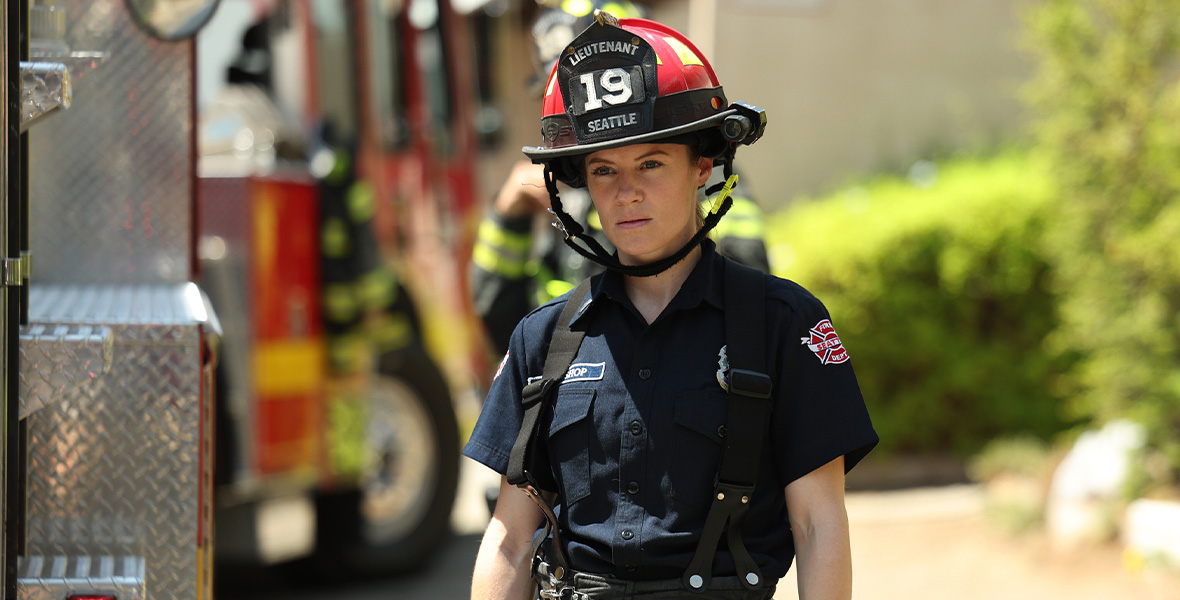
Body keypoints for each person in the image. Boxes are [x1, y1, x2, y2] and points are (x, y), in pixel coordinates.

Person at [464, 13, 878, 600]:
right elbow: (508, 540)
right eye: (603, 170)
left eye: (651, 163)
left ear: (702, 169)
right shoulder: (543, 339)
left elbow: (819, 525)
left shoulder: (785, 325)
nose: (626, 191)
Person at [470, 0, 769, 357]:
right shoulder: (556, 194)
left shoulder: (707, 176)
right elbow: (504, 328)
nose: (580, 115)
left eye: (651, 164)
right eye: (603, 170)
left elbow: (746, 290)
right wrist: (509, 216)